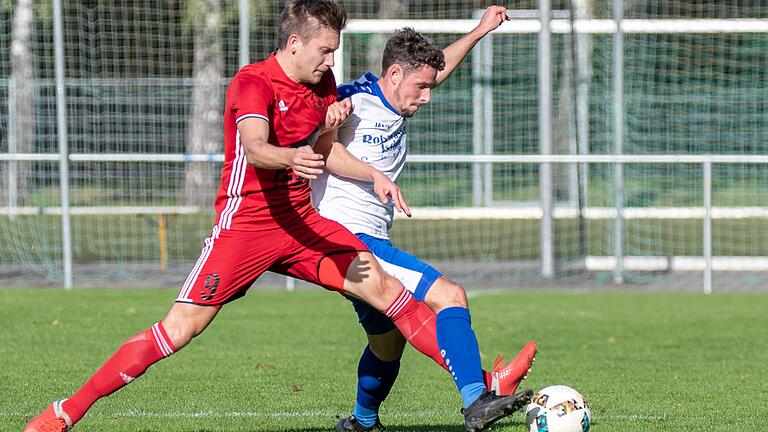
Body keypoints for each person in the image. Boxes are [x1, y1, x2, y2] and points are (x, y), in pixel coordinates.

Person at [24, 2, 530, 432]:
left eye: (334, 49)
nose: (332, 59)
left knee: (388, 293)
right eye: (325, 49)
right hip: (245, 228)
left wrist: (328, 134)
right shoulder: (253, 83)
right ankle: (65, 413)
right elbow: (255, 146)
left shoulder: (326, 83)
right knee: (179, 330)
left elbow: (326, 147)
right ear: (293, 42)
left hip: (304, 225)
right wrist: (295, 156)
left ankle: (475, 397)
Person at [311, 6, 538, 432]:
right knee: (451, 296)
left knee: (387, 343)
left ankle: (361, 423)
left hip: (364, 238)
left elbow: (439, 67)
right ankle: (478, 397)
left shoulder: (397, 96)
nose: (428, 95)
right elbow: (324, 151)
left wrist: (478, 31)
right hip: (351, 238)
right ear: (394, 74)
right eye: (421, 86)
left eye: (430, 86)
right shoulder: (352, 101)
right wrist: (375, 175)